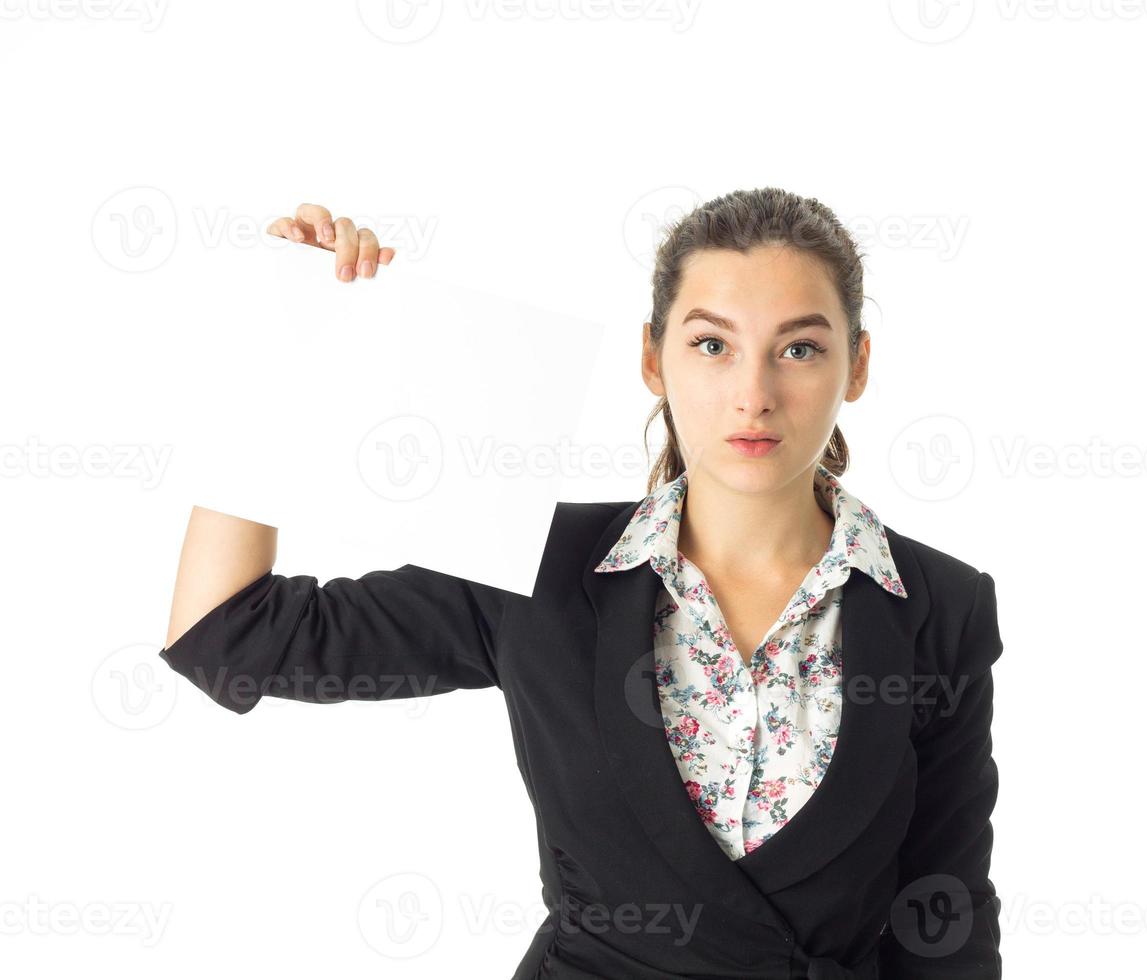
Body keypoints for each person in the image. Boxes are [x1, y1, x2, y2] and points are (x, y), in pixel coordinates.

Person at [160, 187, 1004, 978]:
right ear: (652, 357)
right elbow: (228, 638)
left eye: (800, 348)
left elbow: (947, 915)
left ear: (855, 366)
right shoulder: (539, 566)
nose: (754, 394)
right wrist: (281, 341)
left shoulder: (941, 606)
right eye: (712, 344)